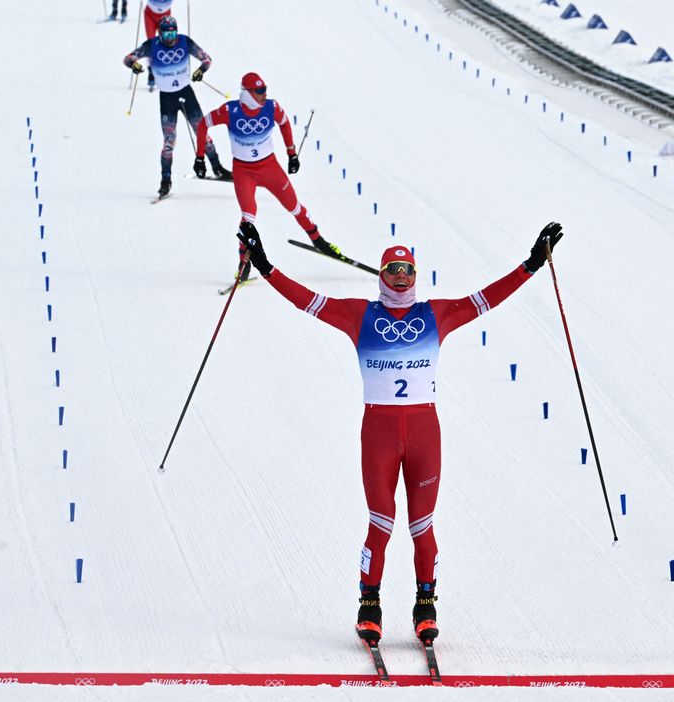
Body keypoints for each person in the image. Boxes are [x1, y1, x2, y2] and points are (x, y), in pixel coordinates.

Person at [234, 219, 565, 644]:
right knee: (381, 523)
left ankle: (425, 604)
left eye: (407, 270)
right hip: (379, 434)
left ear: (415, 276)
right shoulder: (359, 315)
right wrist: (264, 264)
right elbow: (308, 301)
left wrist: (533, 263)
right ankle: (368, 605)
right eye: (392, 270)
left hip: (425, 433)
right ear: (381, 276)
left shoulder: (436, 315)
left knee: (422, 525)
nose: (400, 277)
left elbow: (486, 300)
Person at [195, 72, 340, 283]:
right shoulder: (230, 110)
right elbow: (202, 124)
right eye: (259, 91)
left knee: (294, 206)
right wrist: (200, 158)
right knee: (248, 217)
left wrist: (292, 154)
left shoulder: (272, 107)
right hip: (244, 171)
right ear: (247, 92)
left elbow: (284, 122)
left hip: (269, 167)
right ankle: (243, 265)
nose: (264, 95)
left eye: (265, 90)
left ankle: (319, 241)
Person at [123, 16, 230, 198]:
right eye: (166, 33)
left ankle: (217, 167)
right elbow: (128, 58)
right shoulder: (152, 45)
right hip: (167, 100)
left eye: (173, 33)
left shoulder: (184, 41)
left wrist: (199, 71)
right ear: (160, 33)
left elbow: (207, 59)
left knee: (202, 132)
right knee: (169, 142)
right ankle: (166, 180)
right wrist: (134, 64)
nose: (170, 38)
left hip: (186, 94)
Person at [142, 0, 172, 90]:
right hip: (150, 14)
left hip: (165, 16)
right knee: (151, 43)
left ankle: (167, 72)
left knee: (166, 42)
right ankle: (151, 71)